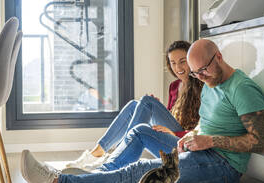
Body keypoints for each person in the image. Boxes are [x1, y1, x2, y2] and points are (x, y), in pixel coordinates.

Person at [20, 39, 264, 183]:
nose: (200, 77)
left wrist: (211, 141)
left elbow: (263, 142)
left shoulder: (242, 89)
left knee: (141, 170)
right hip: (199, 149)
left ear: (219, 57)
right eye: (196, 74)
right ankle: (90, 172)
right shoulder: (207, 83)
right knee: (139, 131)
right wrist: (193, 136)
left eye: (203, 70)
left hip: (223, 167)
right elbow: (205, 125)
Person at [65, 40, 204, 170]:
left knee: (147, 102)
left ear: (191, 60)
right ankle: (96, 153)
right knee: (134, 105)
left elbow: (202, 128)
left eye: (182, 61)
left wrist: (174, 132)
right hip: (171, 134)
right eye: (173, 63)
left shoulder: (202, 87)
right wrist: (159, 110)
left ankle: (116, 155)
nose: (177, 67)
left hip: (183, 141)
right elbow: (173, 117)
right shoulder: (174, 86)